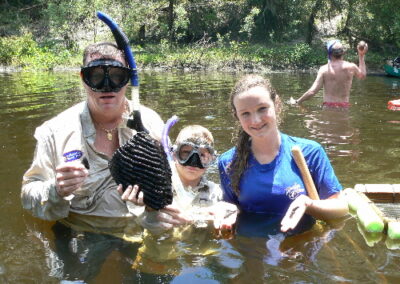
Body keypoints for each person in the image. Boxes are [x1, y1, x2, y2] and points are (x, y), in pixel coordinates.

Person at [21, 42, 165, 282]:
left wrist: (156, 202)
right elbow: (28, 194)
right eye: (96, 76)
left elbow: (176, 184)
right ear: (83, 78)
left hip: (140, 229)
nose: (106, 86)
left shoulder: (151, 123)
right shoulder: (55, 131)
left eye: (117, 76)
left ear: (128, 79)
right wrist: (55, 189)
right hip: (81, 232)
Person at [218, 74, 348, 234]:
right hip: (251, 252)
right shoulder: (228, 162)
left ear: (277, 104)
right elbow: (230, 205)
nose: (256, 120)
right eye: (245, 113)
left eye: (262, 109)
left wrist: (309, 204)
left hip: (298, 249)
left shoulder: (311, 152)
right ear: (236, 116)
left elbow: (341, 208)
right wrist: (225, 210)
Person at [121, 125, 238, 274]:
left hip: (198, 264)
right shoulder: (155, 185)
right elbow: (144, 223)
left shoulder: (214, 192)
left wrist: (229, 213)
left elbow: (220, 231)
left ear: (211, 159)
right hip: (156, 263)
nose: (193, 161)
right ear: (174, 154)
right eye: (186, 153)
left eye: (202, 155)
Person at [291, 40, 368, 107]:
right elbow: (363, 75)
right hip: (344, 107)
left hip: (328, 107)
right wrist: (361, 55)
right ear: (343, 52)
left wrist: (297, 102)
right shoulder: (351, 67)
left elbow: (312, 91)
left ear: (329, 54)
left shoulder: (324, 69)